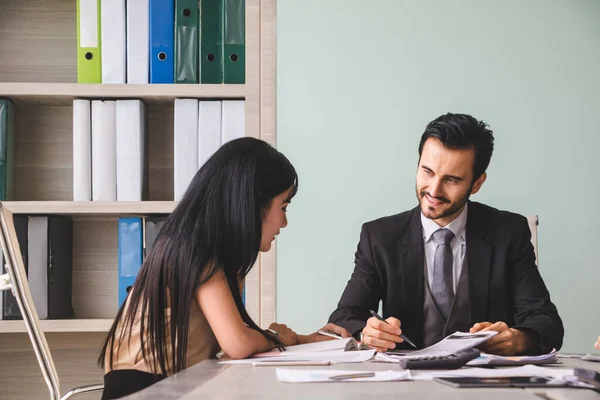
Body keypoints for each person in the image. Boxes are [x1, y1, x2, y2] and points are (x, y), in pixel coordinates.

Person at [98, 137, 350, 400]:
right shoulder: (197, 248)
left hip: (172, 389)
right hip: (147, 393)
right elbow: (238, 343)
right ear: (251, 204)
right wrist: (279, 337)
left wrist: (298, 339)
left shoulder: (209, 252)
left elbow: (236, 343)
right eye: (283, 207)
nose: (284, 222)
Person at [328, 112, 564, 356]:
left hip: (486, 387)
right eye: (427, 172)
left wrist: (519, 340)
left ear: (477, 183)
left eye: (451, 179)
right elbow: (344, 317)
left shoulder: (508, 233)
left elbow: (546, 322)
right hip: (404, 386)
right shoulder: (378, 237)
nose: (433, 189)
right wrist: (366, 332)